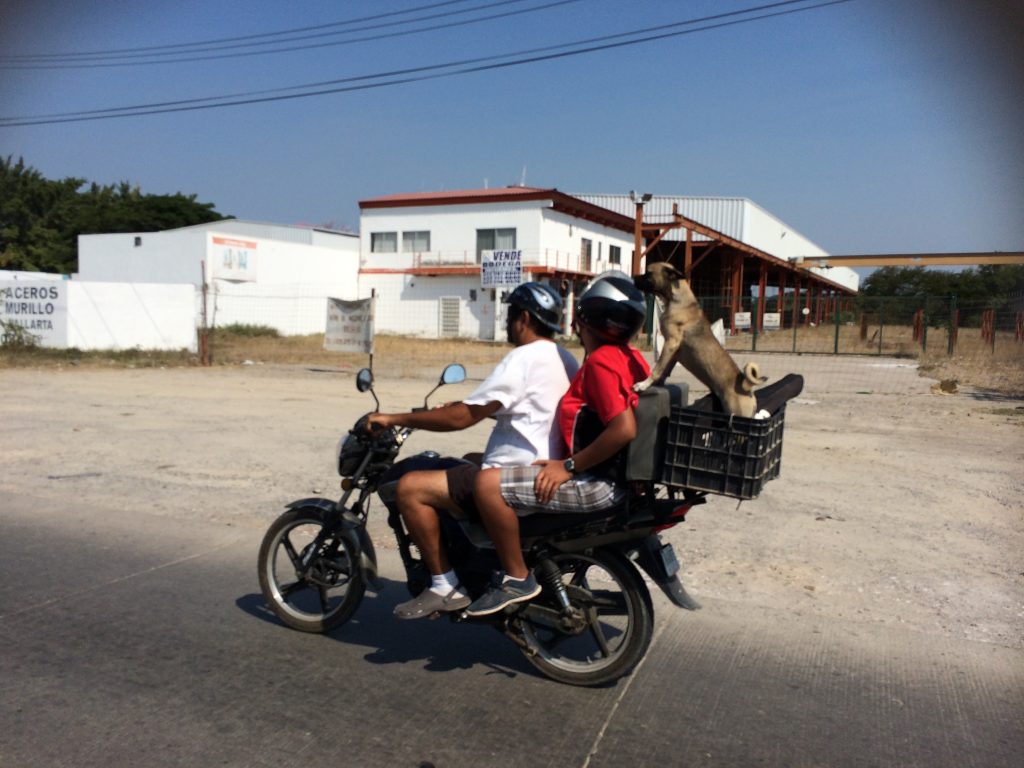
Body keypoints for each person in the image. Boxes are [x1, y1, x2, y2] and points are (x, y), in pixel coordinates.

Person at [366, 282, 578, 619]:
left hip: (514, 476)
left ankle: (443, 585)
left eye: (510, 315)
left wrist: (395, 418)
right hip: (536, 464)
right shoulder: (563, 357)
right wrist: (473, 406)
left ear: (523, 318)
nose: (508, 323)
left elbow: (462, 418)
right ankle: (473, 557)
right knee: (466, 461)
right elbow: (531, 404)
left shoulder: (522, 357)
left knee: (410, 488)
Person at [464, 272, 650, 617]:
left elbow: (623, 428)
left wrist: (568, 467)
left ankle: (516, 578)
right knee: (477, 461)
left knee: (486, 484)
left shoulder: (600, 363)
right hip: (606, 475)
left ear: (586, 319)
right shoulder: (622, 356)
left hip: (597, 483)